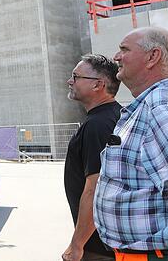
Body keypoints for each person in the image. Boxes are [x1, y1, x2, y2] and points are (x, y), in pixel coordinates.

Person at [94, 27, 168, 261]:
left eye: (124, 49)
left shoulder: (162, 105)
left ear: (152, 57)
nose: (116, 57)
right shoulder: (152, 104)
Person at [62, 54, 121, 261]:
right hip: (110, 244)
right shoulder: (116, 115)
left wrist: (76, 245)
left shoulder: (96, 125)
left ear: (98, 85)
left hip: (98, 248)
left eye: (76, 76)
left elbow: (95, 188)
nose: (70, 81)